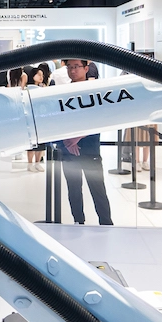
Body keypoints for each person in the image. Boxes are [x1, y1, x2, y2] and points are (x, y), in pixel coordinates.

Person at [57, 59, 114, 226]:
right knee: (73, 189)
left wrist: (76, 138)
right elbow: (59, 119)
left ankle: (106, 223)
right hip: (68, 150)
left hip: (90, 148)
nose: (72, 70)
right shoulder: (62, 91)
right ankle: (78, 221)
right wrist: (67, 141)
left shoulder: (94, 91)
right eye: (69, 67)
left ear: (86, 68)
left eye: (76, 67)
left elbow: (100, 118)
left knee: (97, 189)